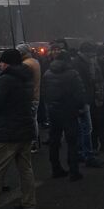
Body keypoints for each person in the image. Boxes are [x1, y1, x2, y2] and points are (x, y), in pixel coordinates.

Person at [0, 49, 36, 209]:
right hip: (26, 129)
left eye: (2, 62)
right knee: (26, 169)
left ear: (8, 63)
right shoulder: (27, 77)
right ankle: (29, 203)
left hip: (8, 131)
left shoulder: (6, 80)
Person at [42, 51, 85, 181]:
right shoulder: (72, 74)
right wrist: (80, 107)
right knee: (72, 141)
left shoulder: (47, 73)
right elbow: (80, 93)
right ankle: (74, 171)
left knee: (54, 141)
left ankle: (56, 169)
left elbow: (44, 92)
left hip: (53, 110)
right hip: (69, 110)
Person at [73, 43, 104, 168]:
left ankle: (82, 153)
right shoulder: (81, 64)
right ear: (87, 52)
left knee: (83, 129)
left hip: (84, 100)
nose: (94, 56)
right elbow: (83, 84)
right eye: (92, 53)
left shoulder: (80, 62)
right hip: (83, 101)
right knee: (87, 129)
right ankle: (88, 156)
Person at [17, 43, 42, 154]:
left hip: (30, 97)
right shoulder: (35, 61)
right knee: (33, 119)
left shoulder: (26, 64)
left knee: (31, 120)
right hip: (36, 95)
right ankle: (34, 141)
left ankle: (32, 143)